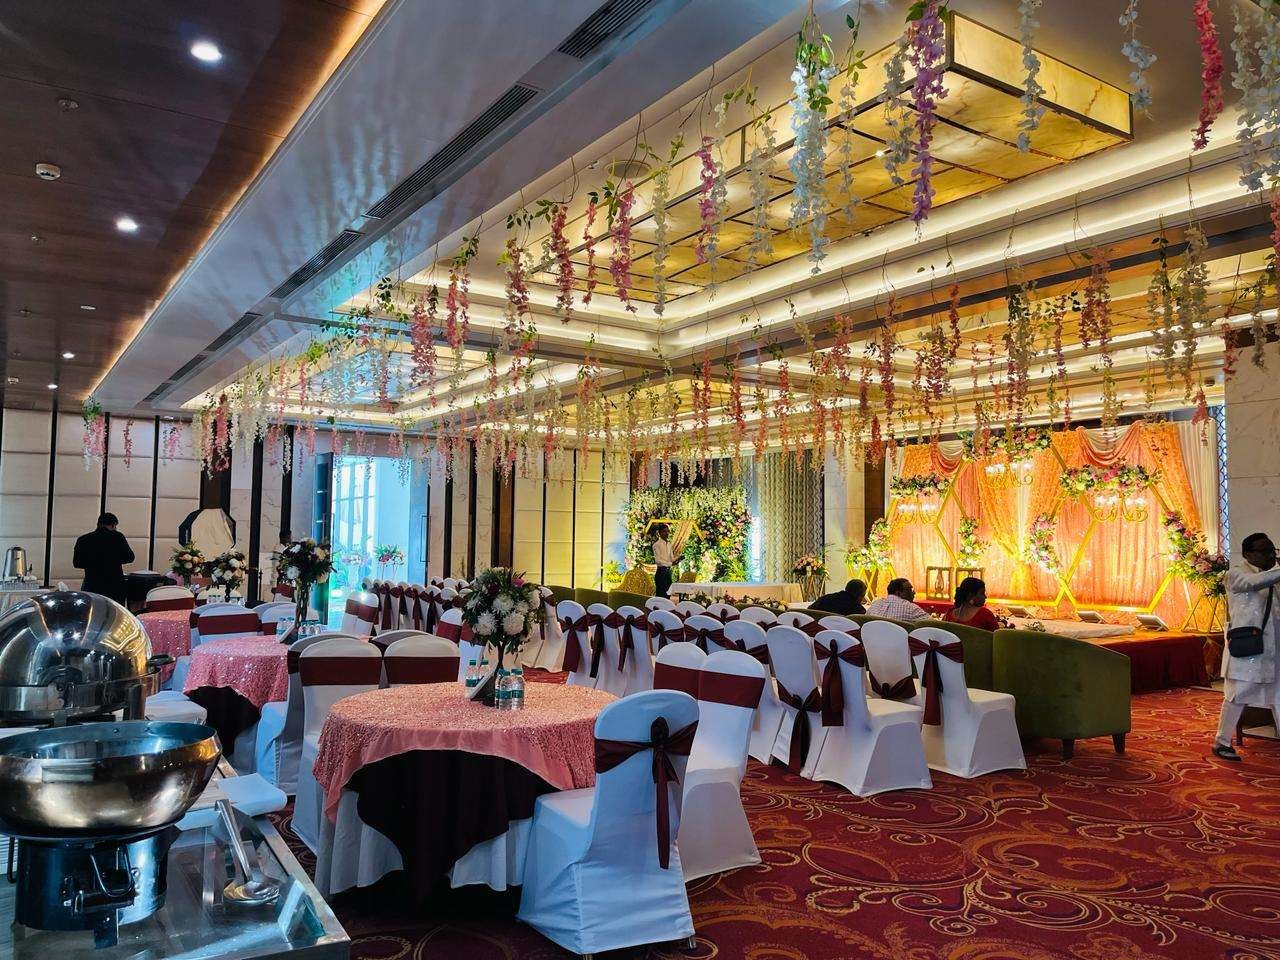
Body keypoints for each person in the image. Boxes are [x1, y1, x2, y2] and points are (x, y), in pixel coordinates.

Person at [1213, 532, 1280, 761]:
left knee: (1278, 694)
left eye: (1272, 550)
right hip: (1247, 649)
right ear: (1248, 554)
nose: (1270, 555)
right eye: (1264, 551)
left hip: (1273, 649)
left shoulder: (1273, 576)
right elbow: (1253, 584)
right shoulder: (1236, 574)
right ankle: (1222, 742)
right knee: (1237, 695)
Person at [73, 512, 135, 605]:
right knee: (114, 611)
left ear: (98, 524)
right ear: (113, 525)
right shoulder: (117, 536)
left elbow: (77, 563)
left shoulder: (83, 539)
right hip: (115, 585)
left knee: (95, 610)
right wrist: (112, 560)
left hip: (92, 585)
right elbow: (130, 557)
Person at [652, 525, 675, 598]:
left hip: (668, 572)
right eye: (664, 531)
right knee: (661, 595)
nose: (666, 533)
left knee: (668, 594)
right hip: (661, 572)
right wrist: (670, 564)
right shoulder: (656, 545)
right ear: (659, 533)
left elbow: (672, 558)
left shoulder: (669, 544)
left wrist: (678, 559)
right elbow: (658, 561)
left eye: (667, 531)